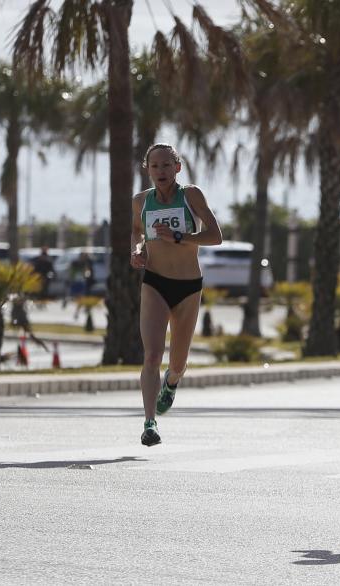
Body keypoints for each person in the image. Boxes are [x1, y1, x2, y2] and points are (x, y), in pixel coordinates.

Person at [130, 143, 223, 446]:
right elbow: (137, 233)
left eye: (167, 165)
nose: (161, 171)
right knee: (152, 355)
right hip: (155, 282)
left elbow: (215, 236)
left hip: (187, 286)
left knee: (178, 363)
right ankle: (149, 423)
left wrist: (180, 236)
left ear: (178, 168)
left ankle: (171, 383)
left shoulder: (191, 195)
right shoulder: (140, 201)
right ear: (147, 169)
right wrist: (137, 252)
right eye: (155, 166)